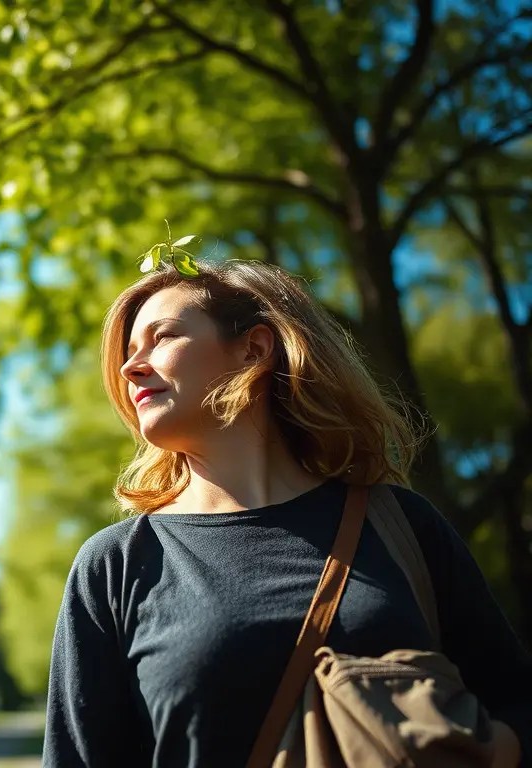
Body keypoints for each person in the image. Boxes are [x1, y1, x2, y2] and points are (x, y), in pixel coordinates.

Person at [41, 259, 531, 767]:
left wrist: (482, 751)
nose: (130, 367)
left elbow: (517, 704)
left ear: (254, 349)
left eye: (161, 337)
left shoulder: (402, 525)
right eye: (128, 352)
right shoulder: (116, 565)